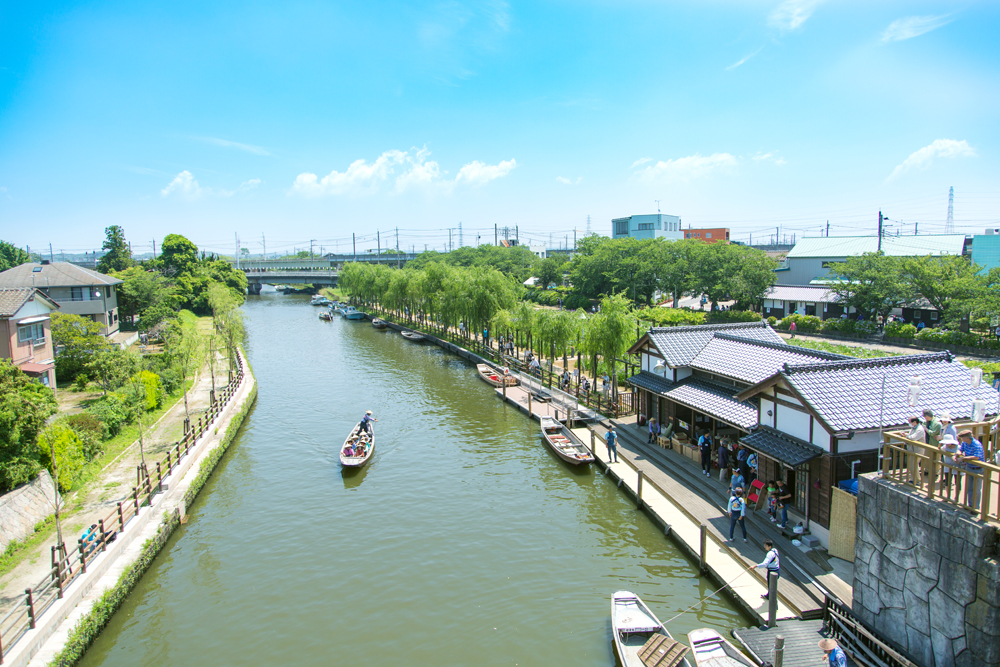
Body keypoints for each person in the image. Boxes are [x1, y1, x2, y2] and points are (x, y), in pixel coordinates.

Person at [957, 429, 985, 510]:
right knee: (969, 487)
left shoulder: (976, 444)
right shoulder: (964, 443)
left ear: (967, 438)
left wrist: (963, 458)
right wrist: (958, 453)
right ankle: (970, 505)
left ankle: (975, 508)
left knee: (976, 489)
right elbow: (960, 449)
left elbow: (976, 457)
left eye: (962, 438)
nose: (961, 439)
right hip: (969, 467)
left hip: (978, 469)